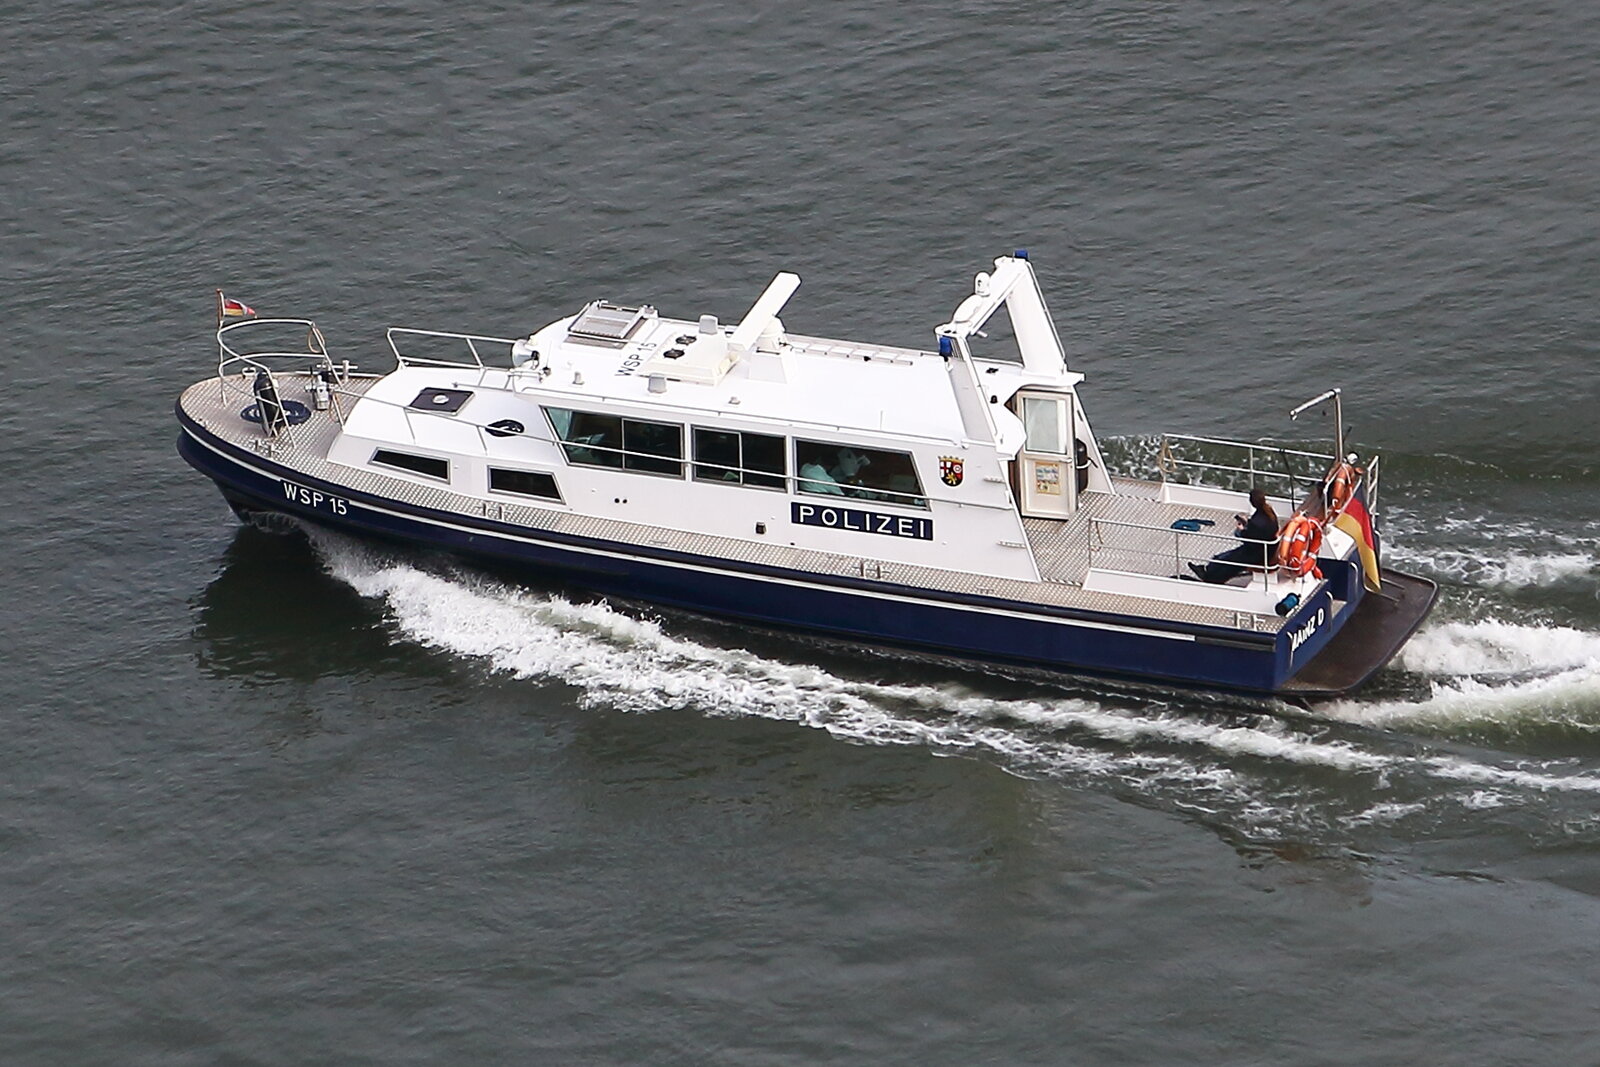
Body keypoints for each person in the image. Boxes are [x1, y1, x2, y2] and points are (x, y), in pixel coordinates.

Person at [1189, 488, 1279, 584]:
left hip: (1257, 553)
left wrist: (1240, 530)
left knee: (1228, 561)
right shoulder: (1269, 513)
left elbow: (1248, 538)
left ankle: (1211, 578)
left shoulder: (1257, 522)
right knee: (1223, 557)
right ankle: (1207, 570)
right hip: (1266, 549)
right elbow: (1259, 533)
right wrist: (1247, 524)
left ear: (1252, 502)